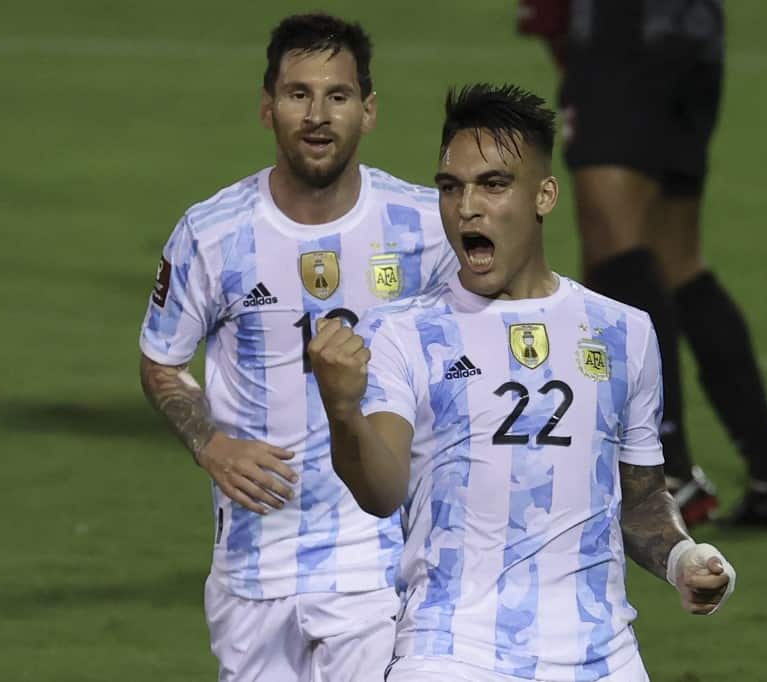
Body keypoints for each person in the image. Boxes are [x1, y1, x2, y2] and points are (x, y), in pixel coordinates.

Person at [309, 84, 735, 681]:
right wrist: (343, 411)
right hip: (451, 653)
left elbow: (639, 499)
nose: (466, 207)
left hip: (601, 658)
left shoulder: (623, 333)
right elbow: (381, 492)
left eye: (493, 184)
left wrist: (683, 557)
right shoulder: (405, 334)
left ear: (544, 195)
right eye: (450, 187)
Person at [137, 13, 458, 682]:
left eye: (338, 95)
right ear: (267, 107)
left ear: (368, 110)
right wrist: (210, 444)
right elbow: (162, 361)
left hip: (378, 563)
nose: (317, 115)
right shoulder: (212, 233)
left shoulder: (425, 228)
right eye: (298, 94)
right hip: (253, 564)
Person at [519, 0, 767, 527]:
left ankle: (668, 474)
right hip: (692, 32)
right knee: (676, 259)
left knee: (616, 247)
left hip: (624, 33)